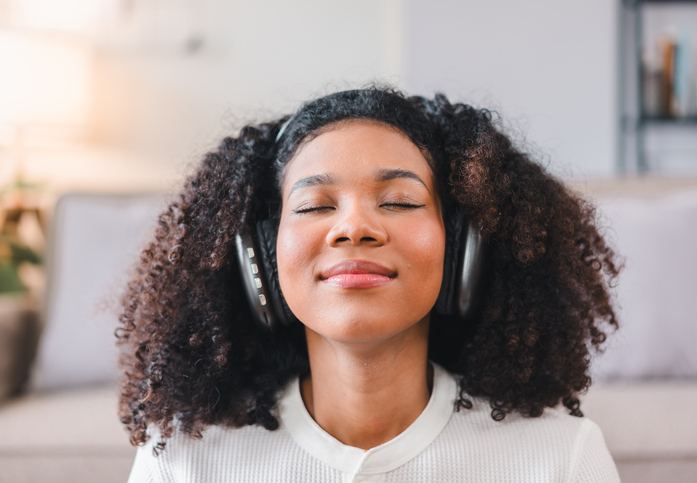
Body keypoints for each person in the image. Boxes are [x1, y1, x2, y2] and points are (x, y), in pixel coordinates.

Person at [120, 87, 621, 482]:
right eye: (315, 205)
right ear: (261, 257)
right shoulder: (182, 464)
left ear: (462, 245)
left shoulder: (561, 461)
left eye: (400, 201)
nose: (354, 227)